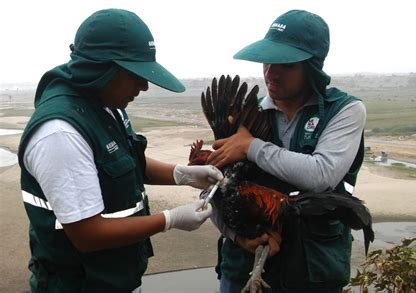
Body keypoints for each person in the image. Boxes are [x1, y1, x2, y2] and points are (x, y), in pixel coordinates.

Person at [17, 8, 223, 293]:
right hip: (79, 285)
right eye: (135, 74)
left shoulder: (106, 104)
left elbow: (125, 161)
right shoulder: (60, 133)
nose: (144, 86)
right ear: (102, 68)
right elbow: (88, 234)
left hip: (116, 278)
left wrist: (182, 175)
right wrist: (170, 219)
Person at [206, 9, 366, 293]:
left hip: (313, 271)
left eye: (286, 64)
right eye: (268, 61)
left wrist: (251, 147)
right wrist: (237, 237)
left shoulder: (345, 111)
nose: (272, 72)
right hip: (242, 269)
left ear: (312, 67)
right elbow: (212, 190)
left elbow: (321, 174)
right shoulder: (245, 114)